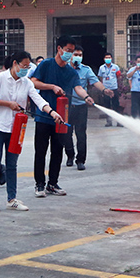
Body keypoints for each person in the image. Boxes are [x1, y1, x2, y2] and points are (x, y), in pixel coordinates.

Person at [0, 51, 62, 213]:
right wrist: (7, 104)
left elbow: (38, 100)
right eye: (23, 66)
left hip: (16, 127)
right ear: (15, 64)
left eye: (28, 66)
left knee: (12, 165)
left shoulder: (26, 82)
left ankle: (12, 199)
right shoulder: (0, 78)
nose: (26, 69)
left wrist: (52, 112)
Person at [30, 37, 93, 197]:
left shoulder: (71, 71)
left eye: (72, 52)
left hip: (62, 117)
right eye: (68, 50)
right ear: (59, 49)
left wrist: (86, 97)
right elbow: (33, 82)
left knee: (57, 151)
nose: (69, 54)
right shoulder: (46, 65)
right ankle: (39, 184)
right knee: (41, 151)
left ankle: (53, 183)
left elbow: (78, 87)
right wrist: (51, 87)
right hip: (44, 115)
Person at [64, 47, 110, 170]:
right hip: (66, 107)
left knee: (81, 134)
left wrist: (104, 90)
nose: (78, 56)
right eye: (76, 54)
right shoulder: (64, 68)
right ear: (71, 56)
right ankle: (70, 155)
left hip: (80, 106)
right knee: (66, 134)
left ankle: (80, 160)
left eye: (80, 54)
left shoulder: (86, 69)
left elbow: (95, 81)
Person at [97, 55, 123, 127]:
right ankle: (109, 122)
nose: (108, 59)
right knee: (107, 106)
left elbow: (118, 77)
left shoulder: (115, 67)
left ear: (111, 58)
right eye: (106, 58)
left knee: (116, 106)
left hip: (114, 88)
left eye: (109, 58)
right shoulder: (101, 68)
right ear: (104, 59)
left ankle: (118, 121)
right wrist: (102, 88)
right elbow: (100, 78)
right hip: (106, 89)